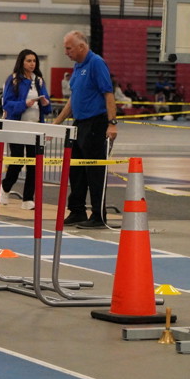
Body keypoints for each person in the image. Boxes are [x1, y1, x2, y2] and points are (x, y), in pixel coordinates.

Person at [52, 30, 117, 229]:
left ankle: (98, 216)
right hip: (79, 124)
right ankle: (77, 211)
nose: (66, 52)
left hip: (96, 124)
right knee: (76, 170)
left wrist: (112, 123)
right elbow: (73, 100)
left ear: (81, 47)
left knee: (95, 171)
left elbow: (108, 94)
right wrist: (56, 123)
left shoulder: (96, 63)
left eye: (68, 48)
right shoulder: (78, 66)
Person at [0, 49, 51, 210]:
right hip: (17, 126)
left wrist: (45, 104)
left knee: (33, 164)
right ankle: (5, 187)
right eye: (29, 61)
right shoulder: (14, 80)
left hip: (35, 127)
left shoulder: (39, 81)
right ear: (22, 62)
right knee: (17, 161)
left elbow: (47, 106)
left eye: (34, 61)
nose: (32, 64)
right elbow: (7, 104)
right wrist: (24, 104)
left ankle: (28, 198)